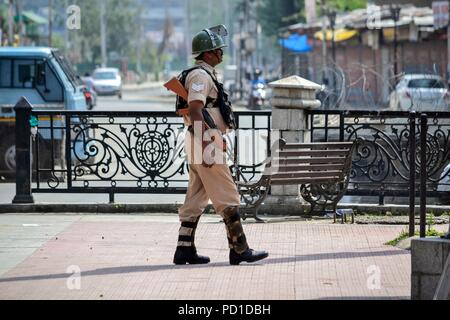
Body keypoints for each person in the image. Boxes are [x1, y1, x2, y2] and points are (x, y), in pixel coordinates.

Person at [173, 25, 269, 265]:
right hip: (204, 139)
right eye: (217, 50)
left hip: (200, 139)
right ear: (207, 54)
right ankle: (239, 248)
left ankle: (184, 249)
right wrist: (207, 141)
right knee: (227, 194)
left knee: (196, 196)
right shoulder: (200, 76)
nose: (221, 54)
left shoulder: (204, 75)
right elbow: (195, 110)